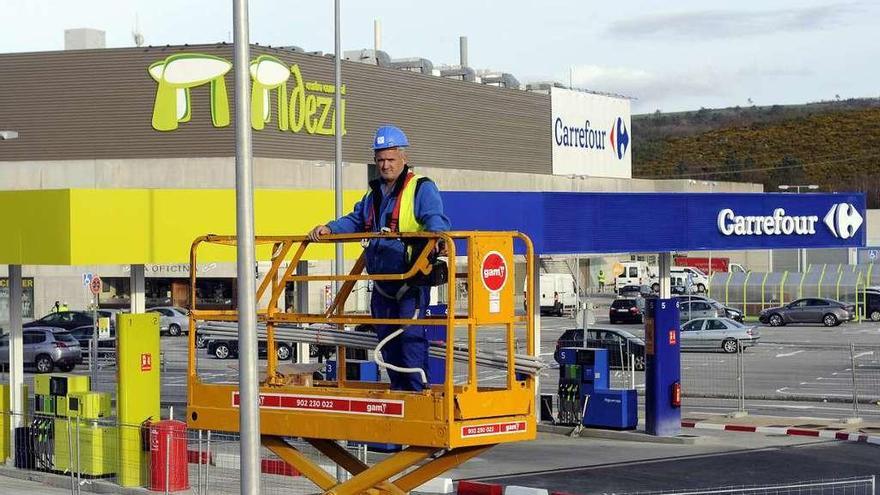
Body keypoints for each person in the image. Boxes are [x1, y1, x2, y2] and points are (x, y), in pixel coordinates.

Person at [309, 125, 450, 391]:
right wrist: (330, 228)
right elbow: (355, 220)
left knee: (410, 341)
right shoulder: (373, 195)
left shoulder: (420, 189)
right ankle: (401, 393)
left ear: (403, 158)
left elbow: (435, 219)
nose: (385, 165)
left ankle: (418, 396)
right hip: (382, 284)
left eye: (390, 159)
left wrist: (439, 238)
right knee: (387, 343)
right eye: (381, 160)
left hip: (410, 282)